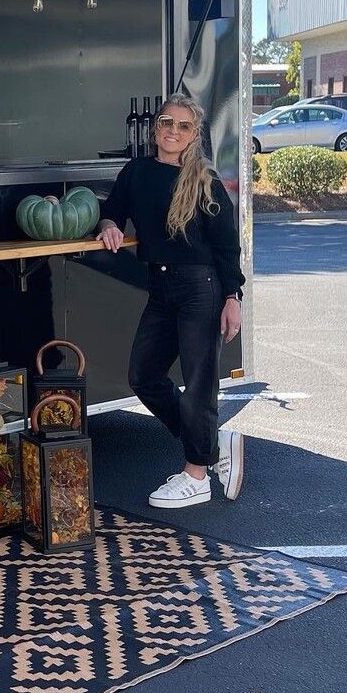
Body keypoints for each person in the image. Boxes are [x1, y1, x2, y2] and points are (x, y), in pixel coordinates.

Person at [94, 93, 245, 508]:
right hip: (160, 288)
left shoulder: (204, 180)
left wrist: (233, 297)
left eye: (182, 126)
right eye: (166, 123)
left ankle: (197, 475)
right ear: (154, 128)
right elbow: (112, 210)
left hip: (202, 287)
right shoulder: (137, 171)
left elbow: (226, 246)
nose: (172, 131)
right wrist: (108, 227)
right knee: (143, 376)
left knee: (199, 384)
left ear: (194, 134)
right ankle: (213, 444)